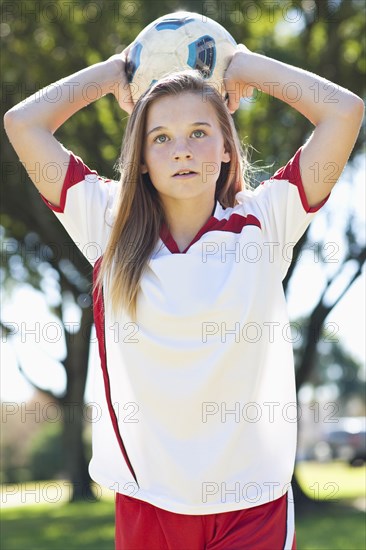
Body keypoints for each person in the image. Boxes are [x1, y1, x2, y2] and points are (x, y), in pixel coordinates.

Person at [4, 36, 363, 550]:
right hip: (148, 502)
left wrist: (243, 65)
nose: (184, 151)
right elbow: (23, 124)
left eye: (199, 133)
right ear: (142, 158)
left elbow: (344, 113)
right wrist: (112, 74)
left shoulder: (265, 222)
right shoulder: (108, 223)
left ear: (225, 147)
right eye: (162, 138)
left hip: (252, 502)